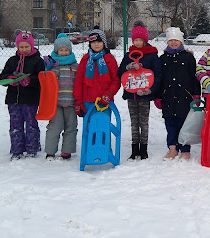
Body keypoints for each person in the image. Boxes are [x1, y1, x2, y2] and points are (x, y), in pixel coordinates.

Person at [118, 21, 161, 160]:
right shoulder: (128, 55)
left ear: (145, 40)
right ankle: (134, 148)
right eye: (135, 40)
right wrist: (127, 67)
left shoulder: (152, 55)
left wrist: (151, 90)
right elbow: (120, 73)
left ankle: (144, 149)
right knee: (134, 122)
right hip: (131, 95)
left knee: (144, 122)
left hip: (145, 95)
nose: (137, 43)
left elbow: (157, 74)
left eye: (140, 40)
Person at [0, 31, 45, 160]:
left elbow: (42, 79)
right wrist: (10, 79)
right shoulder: (12, 61)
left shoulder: (38, 61)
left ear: (32, 46)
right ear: (17, 47)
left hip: (30, 99)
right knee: (15, 125)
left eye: (27, 47)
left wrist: (29, 81)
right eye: (21, 47)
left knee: (31, 124)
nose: (24, 49)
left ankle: (32, 148)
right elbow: (2, 77)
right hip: (13, 99)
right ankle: (16, 149)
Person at [157, 27, 200, 160]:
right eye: (171, 40)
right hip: (168, 97)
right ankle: (173, 148)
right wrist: (158, 95)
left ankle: (185, 150)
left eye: (176, 40)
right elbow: (159, 78)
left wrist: (196, 95)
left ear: (181, 41)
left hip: (185, 97)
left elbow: (194, 77)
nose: (174, 43)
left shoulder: (188, 58)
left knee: (184, 123)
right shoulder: (162, 58)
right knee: (170, 123)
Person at [43, 34, 79, 160]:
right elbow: (46, 82)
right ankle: (50, 151)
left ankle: (66, 151)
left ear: (70, 50)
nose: (64, 52)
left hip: (71, 102)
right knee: (54, 127)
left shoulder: (75, 66)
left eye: (66, 50)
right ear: (56, 51)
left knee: (71, 127)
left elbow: (79, 81)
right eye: (61, 50)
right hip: (56, 103)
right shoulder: (52, 65)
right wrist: (47, 70)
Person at [73, 26, 120, 122]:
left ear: (104, 43)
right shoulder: (85, 60)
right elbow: (78, 81)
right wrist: (78, 101)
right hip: (87, 100)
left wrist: (108, 95)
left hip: (104, 101)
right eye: (93, 42)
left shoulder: (109, 59)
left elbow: (116, 80)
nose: (96, 44)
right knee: (89, 128)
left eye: (99, 42)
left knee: (103, 127)